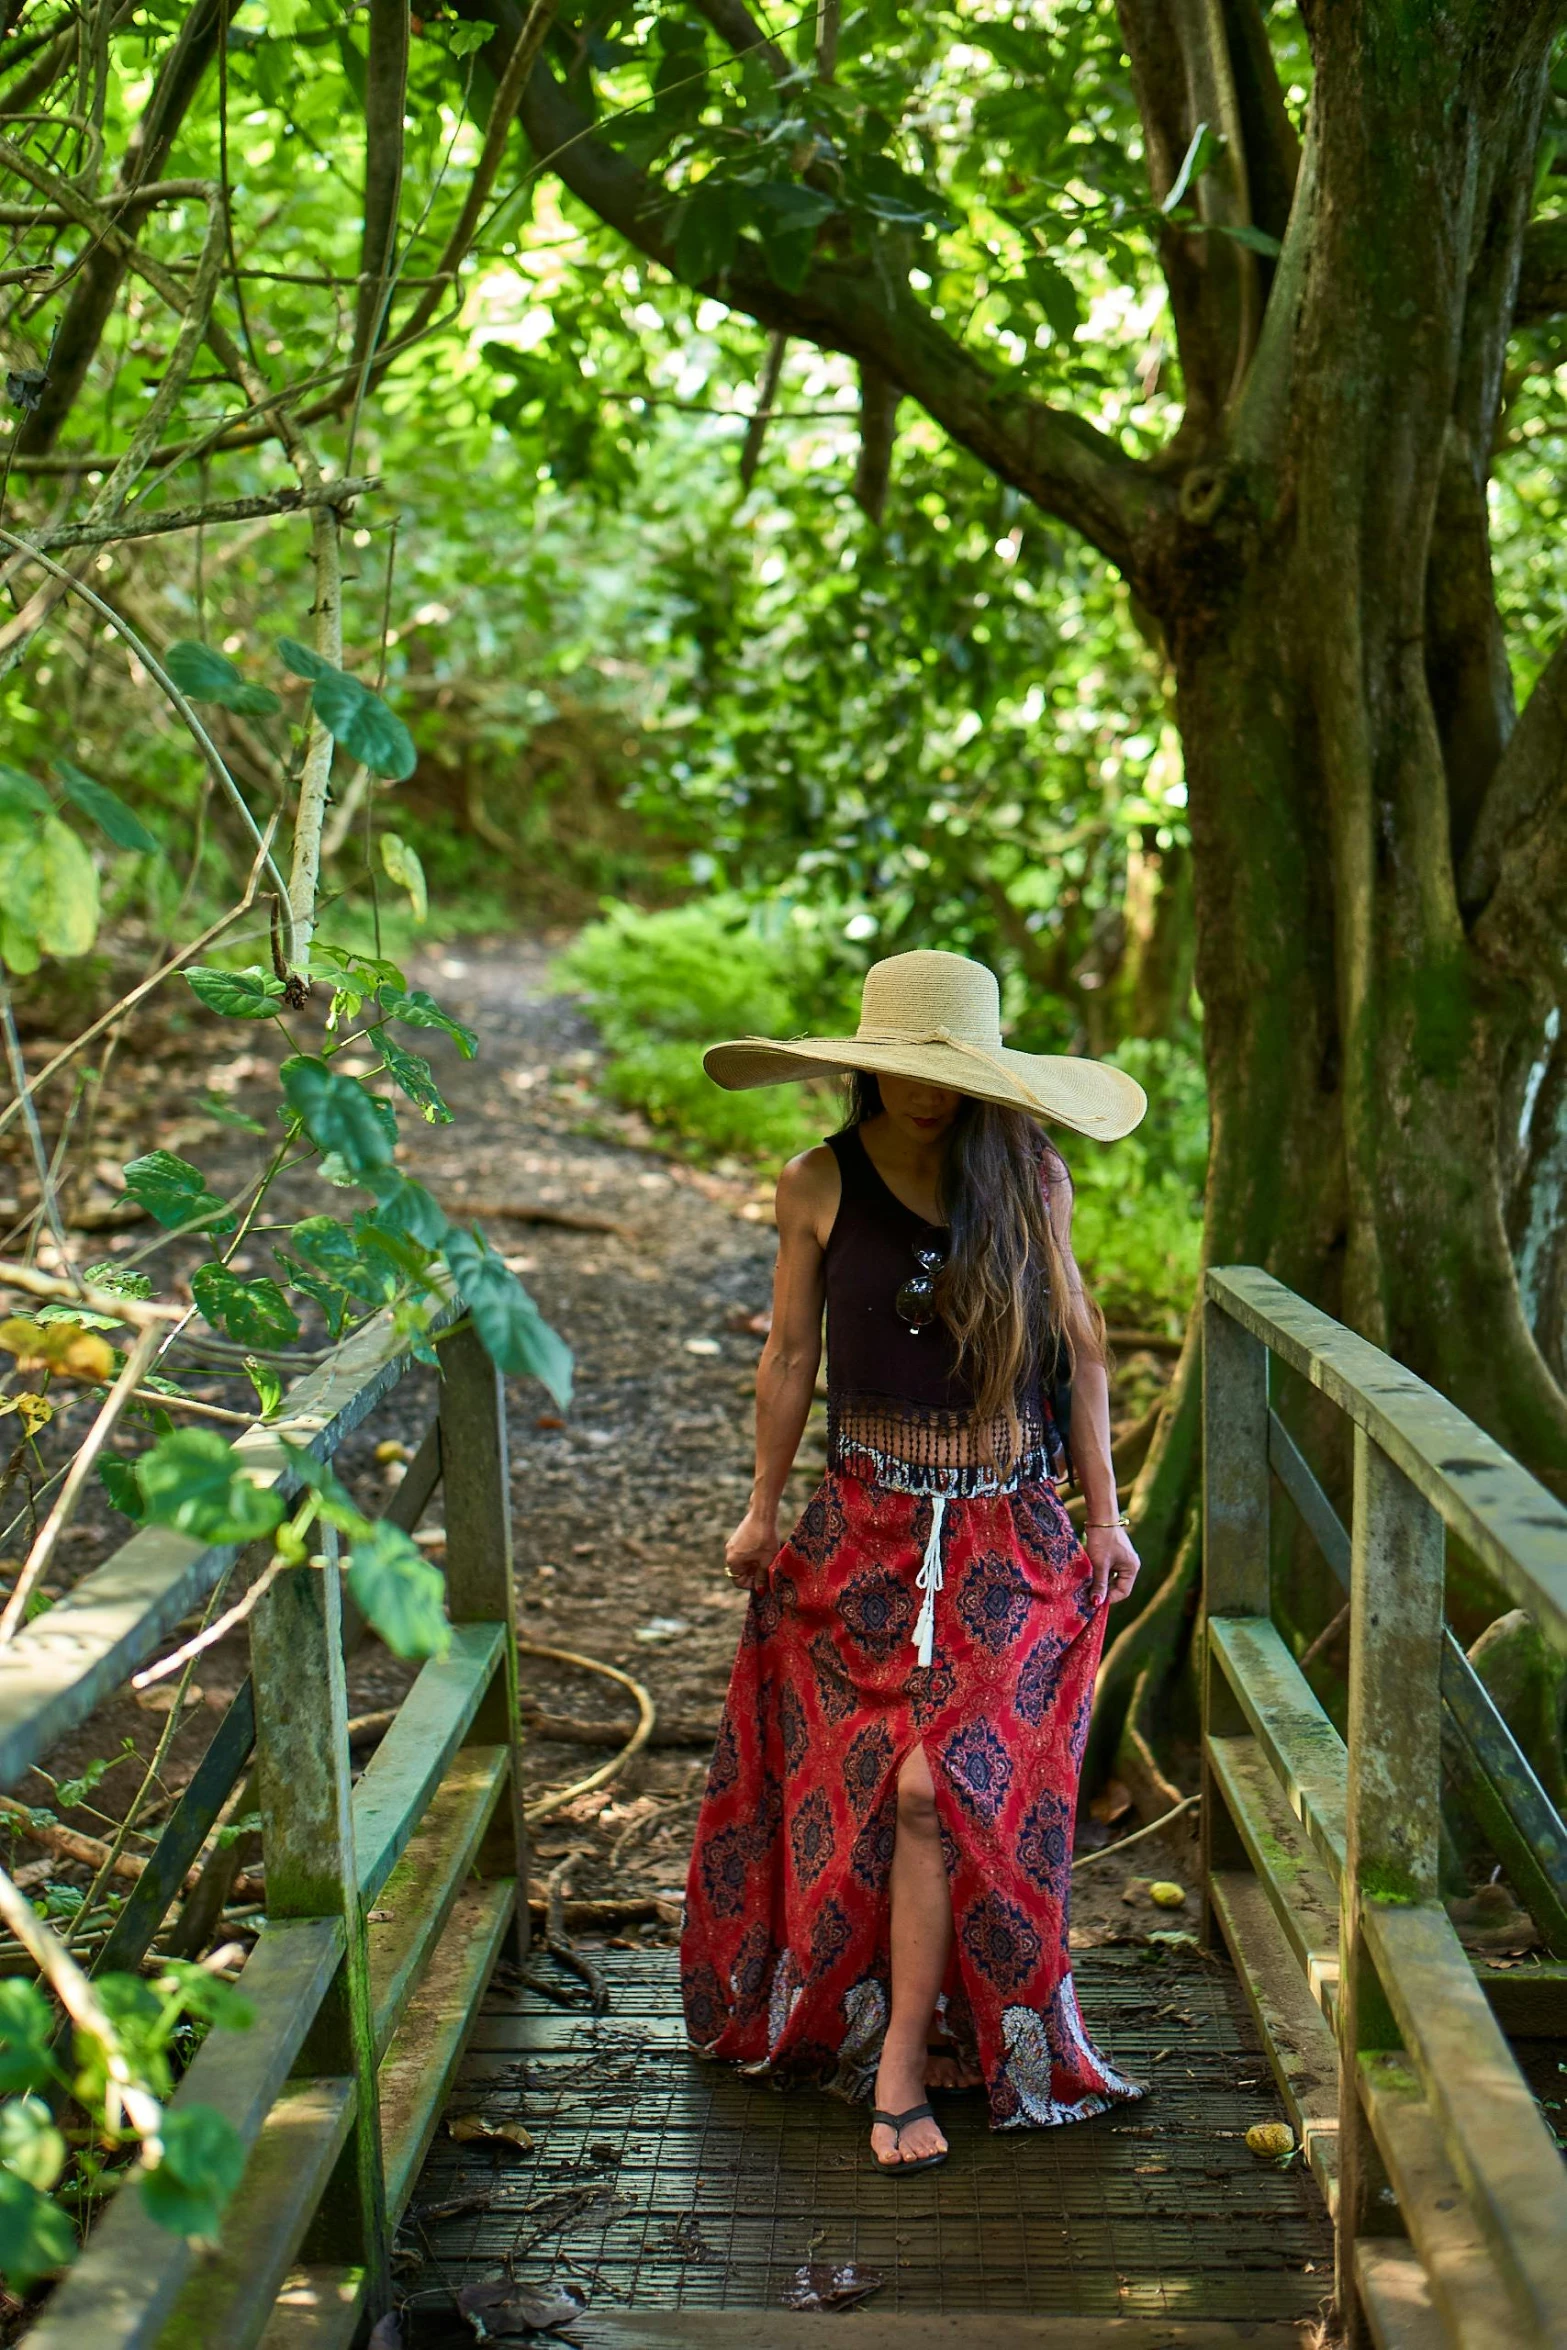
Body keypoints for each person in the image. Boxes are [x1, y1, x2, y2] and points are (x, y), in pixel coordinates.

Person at [679, 949, 1147, 2171]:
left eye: (951, 1074)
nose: (929, 1095)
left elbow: (1084, 1351)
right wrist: (759, 1506)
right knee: (872, 1795)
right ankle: (910, 2026)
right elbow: (789, 1357)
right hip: (863, 1532)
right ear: (867, 1066)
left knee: (945, 1792)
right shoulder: (816, 1181)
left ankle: (902, 2073)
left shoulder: (1026, 1174)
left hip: (1008, 1532)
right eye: (908, 1071)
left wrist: (1105, 1514)